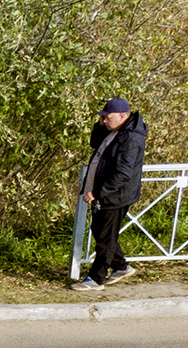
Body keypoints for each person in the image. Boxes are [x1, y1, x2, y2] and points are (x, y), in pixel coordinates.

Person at [72, 97, 147, 291]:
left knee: (105, 238)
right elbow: (94, 142)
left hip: (116, 195)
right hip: (108, 193)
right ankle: (121, 267)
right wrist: (101, 123)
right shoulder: (116, 131)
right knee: (101, 232)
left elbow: (123, 174)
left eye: (108, 117)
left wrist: (97, 192)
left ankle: (96, 279)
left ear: (122, 115)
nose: (104, 121)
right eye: (103, 118)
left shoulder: (131, 138)